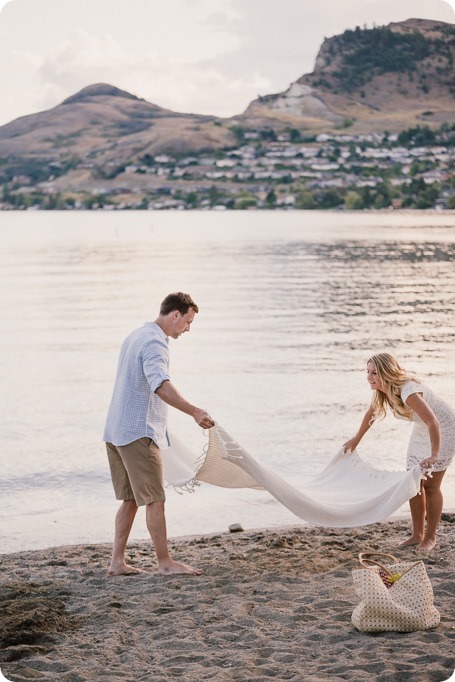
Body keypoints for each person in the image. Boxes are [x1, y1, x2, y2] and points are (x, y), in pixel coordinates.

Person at [103, 292, 215, 576]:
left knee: (130, 500)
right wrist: (194, 411)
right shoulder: (154, 342)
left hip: (116, 430)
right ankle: (165, 563)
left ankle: (117, 563)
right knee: (155, 499)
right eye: (187, 322)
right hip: (138, 433)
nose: (188, 329)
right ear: (175, 315)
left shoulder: (137, 335)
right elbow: (160, 385)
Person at [344, 353, 454, 552]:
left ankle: (430, 538)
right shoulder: (382, 391)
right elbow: (371, 414)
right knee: (411, 483)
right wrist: (356, 439)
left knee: (430, 486)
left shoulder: (408, 391)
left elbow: (434, 422)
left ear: (386, 373)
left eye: (374, 373)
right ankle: (416, 535)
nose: (369, 377)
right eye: (368, 372)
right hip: (423, 430)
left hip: (444, 429)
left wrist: (435, 454)